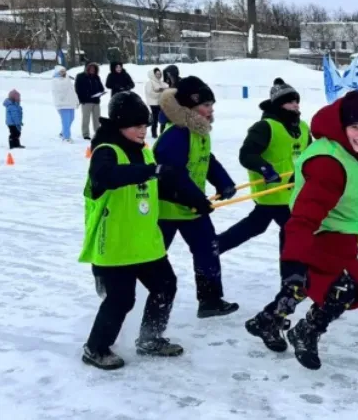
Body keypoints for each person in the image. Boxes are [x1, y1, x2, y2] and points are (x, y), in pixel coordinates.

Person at [244, 91, 358, 370]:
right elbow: (304, 218)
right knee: (346, 289)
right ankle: (306, 331)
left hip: (340, 232)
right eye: (355, 127)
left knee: (308, 285)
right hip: (318, 233)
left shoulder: (354, 152)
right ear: (342, 127)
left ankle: (268, 321)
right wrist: (294, 261)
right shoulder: (330, 163)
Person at [79, 92, 206, 370]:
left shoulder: (145, 151)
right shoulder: (106, 151)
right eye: (136, 125)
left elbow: (157, 187)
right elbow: (106, 177)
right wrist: (150, 170)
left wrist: (194, 200)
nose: (142, 130)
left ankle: (150, 338)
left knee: (165, 286)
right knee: (122, 299)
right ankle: (95, 348)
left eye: (145, 125)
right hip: (115, 244)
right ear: (120, 124)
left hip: (146, 243)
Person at [154, 76, 239, 318]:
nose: (211, 110)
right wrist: (195, 199)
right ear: (190, 107)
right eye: (206, 105)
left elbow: (206, 160)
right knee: (153, 257)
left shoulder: (199, 131)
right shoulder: (176, 135)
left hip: (192, 207)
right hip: (168, 209)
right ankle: (126, 294)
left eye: (212, 104)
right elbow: (171, 176)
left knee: (207, 249)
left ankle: (210, 300)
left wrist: (224, 182)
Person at [217, 83, 311, 269]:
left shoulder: (302, 126)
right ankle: (291, 276)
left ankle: (213, 246)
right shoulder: (264, 127)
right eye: (290, 102)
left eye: (296, 101)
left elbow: (310, 153)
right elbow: (246, 155)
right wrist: (265, 169)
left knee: (257, 225)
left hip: (293, 191)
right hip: (272, 191)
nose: (295, 105)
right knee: (292, 229)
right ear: (278, 104)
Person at [74, 62, 106, 140]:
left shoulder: (96, 77)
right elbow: (77, 89)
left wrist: (100, 92)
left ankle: (97, 133)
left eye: (94, 68)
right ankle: (85, 134)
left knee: (97, 119)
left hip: (96, 101)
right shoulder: (80, 76)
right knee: (86, 118)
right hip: (86, 101)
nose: (92, 70)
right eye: (91, 68)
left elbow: (101, 88)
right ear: (87, 68)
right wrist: (82, 98)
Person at [52, 65, 79, 142]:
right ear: (57, 72)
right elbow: (61, 90)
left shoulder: (67, 79)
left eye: (64, 71)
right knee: (66, 121)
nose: (63, 73)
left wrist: (76, 101)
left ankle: (63, 132)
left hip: (70, 103)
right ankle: (66, 137)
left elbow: (72, 92)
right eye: (61, 71)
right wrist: (66, 80)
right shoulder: (55, 80)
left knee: (71, 118)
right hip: (63, 104)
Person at [144, 67, 168, 138]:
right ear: (153, 74)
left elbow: (167, 87)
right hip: (153, 104)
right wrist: (160, 92)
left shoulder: (160, 82)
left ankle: (162, 132)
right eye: (157, 74)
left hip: (160, 103)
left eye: (160, 74)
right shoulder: (150, 82)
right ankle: (154, 134)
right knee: (155, 119)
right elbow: (150, 93)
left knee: (162, 118)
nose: (158, 75)